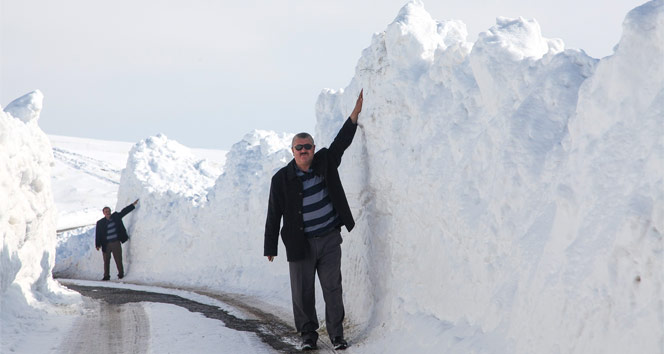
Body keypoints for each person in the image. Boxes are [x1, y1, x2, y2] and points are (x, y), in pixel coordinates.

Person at [264, 90, 363, 351]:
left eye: (308, 147)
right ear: (293, 151)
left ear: (314, 149)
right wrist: (270, 247)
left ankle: (337, 335)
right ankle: (308, 336)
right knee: (302, 293)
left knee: (333, 288)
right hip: (300, 244)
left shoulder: (326, 162)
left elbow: (341, 142)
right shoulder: (281, 179)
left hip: (329, 238)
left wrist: (354, 116)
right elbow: (274, 213)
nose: (304, 151)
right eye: (299, 147)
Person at [95, 199, 139, 281]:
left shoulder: (116, 216)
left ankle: (121, 274)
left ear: (110, 211)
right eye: (106, 211)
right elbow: (98, 234)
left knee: (118, 259)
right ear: (103, 213)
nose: (107, 212)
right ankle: (106, 276)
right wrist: (97, 244)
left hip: (115, 242)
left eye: (108, 211)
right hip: (106, 244)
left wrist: (133, 205)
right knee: (106, 261)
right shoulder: (100, 223)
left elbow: (124, 212)